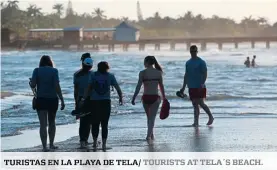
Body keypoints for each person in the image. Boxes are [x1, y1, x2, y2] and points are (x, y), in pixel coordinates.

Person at [81, 61, 123, 151]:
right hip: (105, 102)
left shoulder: (93, 75)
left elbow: (88, 88)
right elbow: (117, 87)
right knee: (105, 124)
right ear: (107, 68)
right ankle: (104, 144)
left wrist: (83, 99)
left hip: (94, 102)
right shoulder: (110, 76)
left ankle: (95, 142)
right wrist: (120, 98)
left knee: (95, 123)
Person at [30, 55, 65, 152]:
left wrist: (31, 83)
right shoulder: (54, 71)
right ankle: (52, 144)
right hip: (52, 99)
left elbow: (33, 85)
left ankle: (44, 147)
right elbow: (57, 85)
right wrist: (61, 99)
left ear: (41, 62)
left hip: (41, 100)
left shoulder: (36, 70)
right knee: (52, 123)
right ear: (50, 62)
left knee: (43, 124)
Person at [131, 56, 166, 141]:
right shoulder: (158, 73)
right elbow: (161, 86)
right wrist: (164, 97)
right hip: (155, 97)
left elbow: (138, 86)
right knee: (152, 118)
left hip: (145, 97)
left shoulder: (142, 73)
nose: (144, 63)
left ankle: (150, 134)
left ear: (147, 62)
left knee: (149, 118)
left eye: (144, 61)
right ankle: (149, 135)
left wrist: (134, 97)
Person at [179, 45, 214, 127]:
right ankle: (196, 122)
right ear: (190, 52)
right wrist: (183, 87)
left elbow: (205, 74)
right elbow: (186, 75)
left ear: (197, 52)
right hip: (191, 86)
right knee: (194, 104)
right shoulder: (188, 63)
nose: (193, 53)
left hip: (200, 86)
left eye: (194, 51)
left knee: (201, 103)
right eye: (192, 51)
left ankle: (210, 116)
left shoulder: (201, 62)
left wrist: (202, 84)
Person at [73, 53, 93, 148]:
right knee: (89, 121)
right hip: (91, 99)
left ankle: (82, 140)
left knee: (83, 121)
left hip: (81, 99)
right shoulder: (93, 74)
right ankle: (85, 139)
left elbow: (75, 90)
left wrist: (76, 103)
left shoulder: (76, 75)